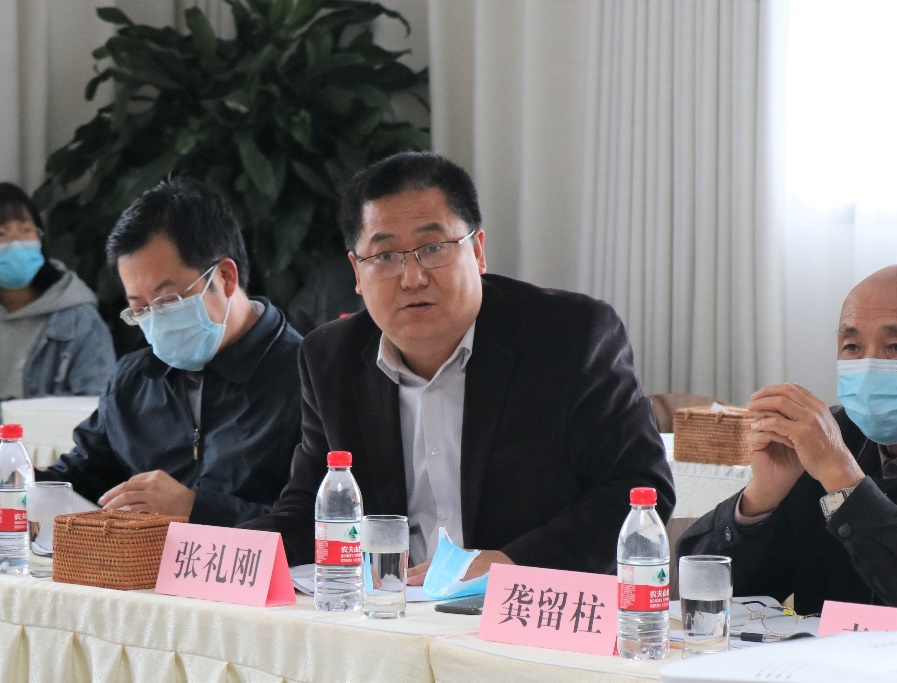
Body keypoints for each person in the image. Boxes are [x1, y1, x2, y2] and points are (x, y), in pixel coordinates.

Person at [243, 151, 675, 580]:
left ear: (478, 251)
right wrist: (229, 555)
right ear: (357, 272)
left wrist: (509, 565)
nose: (412, 278)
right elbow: (309, 512)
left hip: (527, 608)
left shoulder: (571, 337)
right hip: (393, 610)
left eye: (433, 248)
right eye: (386, 256)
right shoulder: (330, 359)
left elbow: (640, 486)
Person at [37, 177, 303, 526]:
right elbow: (80, 480)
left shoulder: (309, 376)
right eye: (140, 308)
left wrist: (196, 509)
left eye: (167, 300)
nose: (156, 319)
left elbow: (325, 524)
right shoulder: (135, 380)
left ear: (225, 277)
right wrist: (18, 483)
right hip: (141, 562)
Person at [677, 265, 897, 612]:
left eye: (895, 346)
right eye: (853, 346)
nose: (869, 366)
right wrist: (760, 501)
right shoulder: (829, 437)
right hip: (823, 649)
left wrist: (842, 479)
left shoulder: (829, 454)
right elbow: (704, 594)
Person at [0, 182, 115, 402]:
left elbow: (98, 405)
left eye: (26, 230)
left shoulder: (78, 319)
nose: (16, 243)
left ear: (40, 238)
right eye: (2, 233)